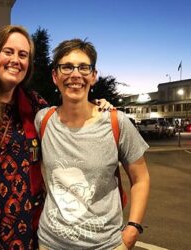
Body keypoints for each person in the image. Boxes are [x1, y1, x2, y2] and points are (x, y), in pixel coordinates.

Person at [0, 25, 114, 250]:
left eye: (23, 55)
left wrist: (97, 105)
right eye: (8, 52)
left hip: (25, 227)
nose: (16, 60)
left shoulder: (34, 104)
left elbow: (67, 115)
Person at [34, 39, 150, 250]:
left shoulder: (117, 122)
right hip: (50, 243)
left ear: (94, 76)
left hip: (106, 244)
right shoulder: (43, 120)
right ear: (55, 76)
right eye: (67, 67)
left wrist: (133, 228)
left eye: (84, 67)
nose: (75, 74)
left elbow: (140, 178)